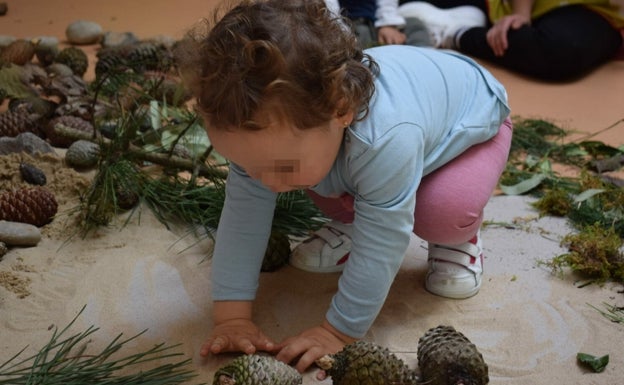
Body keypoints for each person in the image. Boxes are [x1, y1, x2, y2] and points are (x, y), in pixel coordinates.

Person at [176, 0, 512, 376]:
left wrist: (339, 330)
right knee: (314, 174)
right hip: (385, 133)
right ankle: (354, 218)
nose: (267, 183)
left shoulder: (386, 138)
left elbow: (386, 237)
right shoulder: (287, 138)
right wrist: (231, 316)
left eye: (278, 167)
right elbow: (242, 218)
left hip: (471, 121)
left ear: (341, 109)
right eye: (249, 167)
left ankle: (459, 241)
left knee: (439, 213)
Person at [398, 0, 624, 81]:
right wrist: (521, 14)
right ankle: (458, 31)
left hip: (598, 12)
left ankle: (458, 32)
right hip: (522, 6)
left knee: (563, 50)